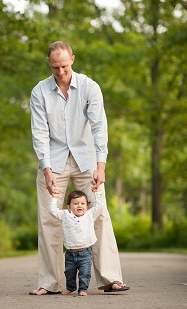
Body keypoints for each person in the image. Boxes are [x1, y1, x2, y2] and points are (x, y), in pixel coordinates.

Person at [29, 41, 129, 295]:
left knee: (99, 214)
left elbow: (99, 127)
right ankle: (50, 283)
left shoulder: (89, 87)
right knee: (49, 220)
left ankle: (110, 278)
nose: (60, 72)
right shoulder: (39, 92)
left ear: (72, 59)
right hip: (53, 161)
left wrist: (101, 165)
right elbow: (39, 133)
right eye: (55, 68)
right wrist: (46, 169)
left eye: (64, 66)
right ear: (48, 65)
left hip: (87, 160)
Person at [46, 190, 107, 296]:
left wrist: (97, 193)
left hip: (85, 252)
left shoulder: (89, 215)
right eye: (75, 203)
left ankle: (83, 289)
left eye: (83, 203)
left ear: (87, 205)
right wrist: (54, 198)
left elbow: (99, 206)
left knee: (85, 273)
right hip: (70, 253)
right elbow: (53, 211)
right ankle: (71, 287)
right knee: (69, 273)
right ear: (69, 206)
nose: (79, 206)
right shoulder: (65, 214)